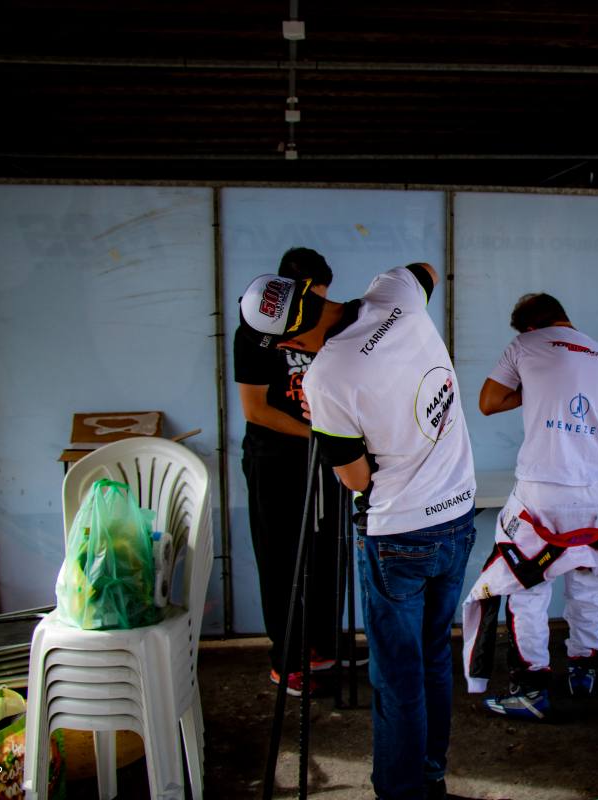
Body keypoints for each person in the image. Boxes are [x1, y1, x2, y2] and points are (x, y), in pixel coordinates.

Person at [239, 261, 476, 800]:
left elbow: (356, 478)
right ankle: (431, 776)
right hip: (458, 516)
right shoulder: (396, 293)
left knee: (397, 675)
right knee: (434, 656)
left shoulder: (327, 377)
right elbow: (426, 270)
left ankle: (401, 792)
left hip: (400, 534)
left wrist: (331, 419)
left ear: (288, 342)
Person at [461, 293, 598, 720]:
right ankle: (584, 670)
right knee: (589, 581)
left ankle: (531, 689)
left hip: (542, 490)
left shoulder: (525, 345)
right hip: (597, 491)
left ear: (530, 327)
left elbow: (489, 402)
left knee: (527, 589)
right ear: (563, 317)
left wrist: (534, 390)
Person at [235, 246, 340, 697]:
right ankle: (286, 658)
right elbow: (255, 410)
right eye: (312, 301)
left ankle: (320, 646)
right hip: (274, 461)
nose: (317, 311)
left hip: (321, 458)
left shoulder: (327, 326)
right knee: (281, 560)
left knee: (325, 553)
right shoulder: (256, 330)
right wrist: (316, 434)